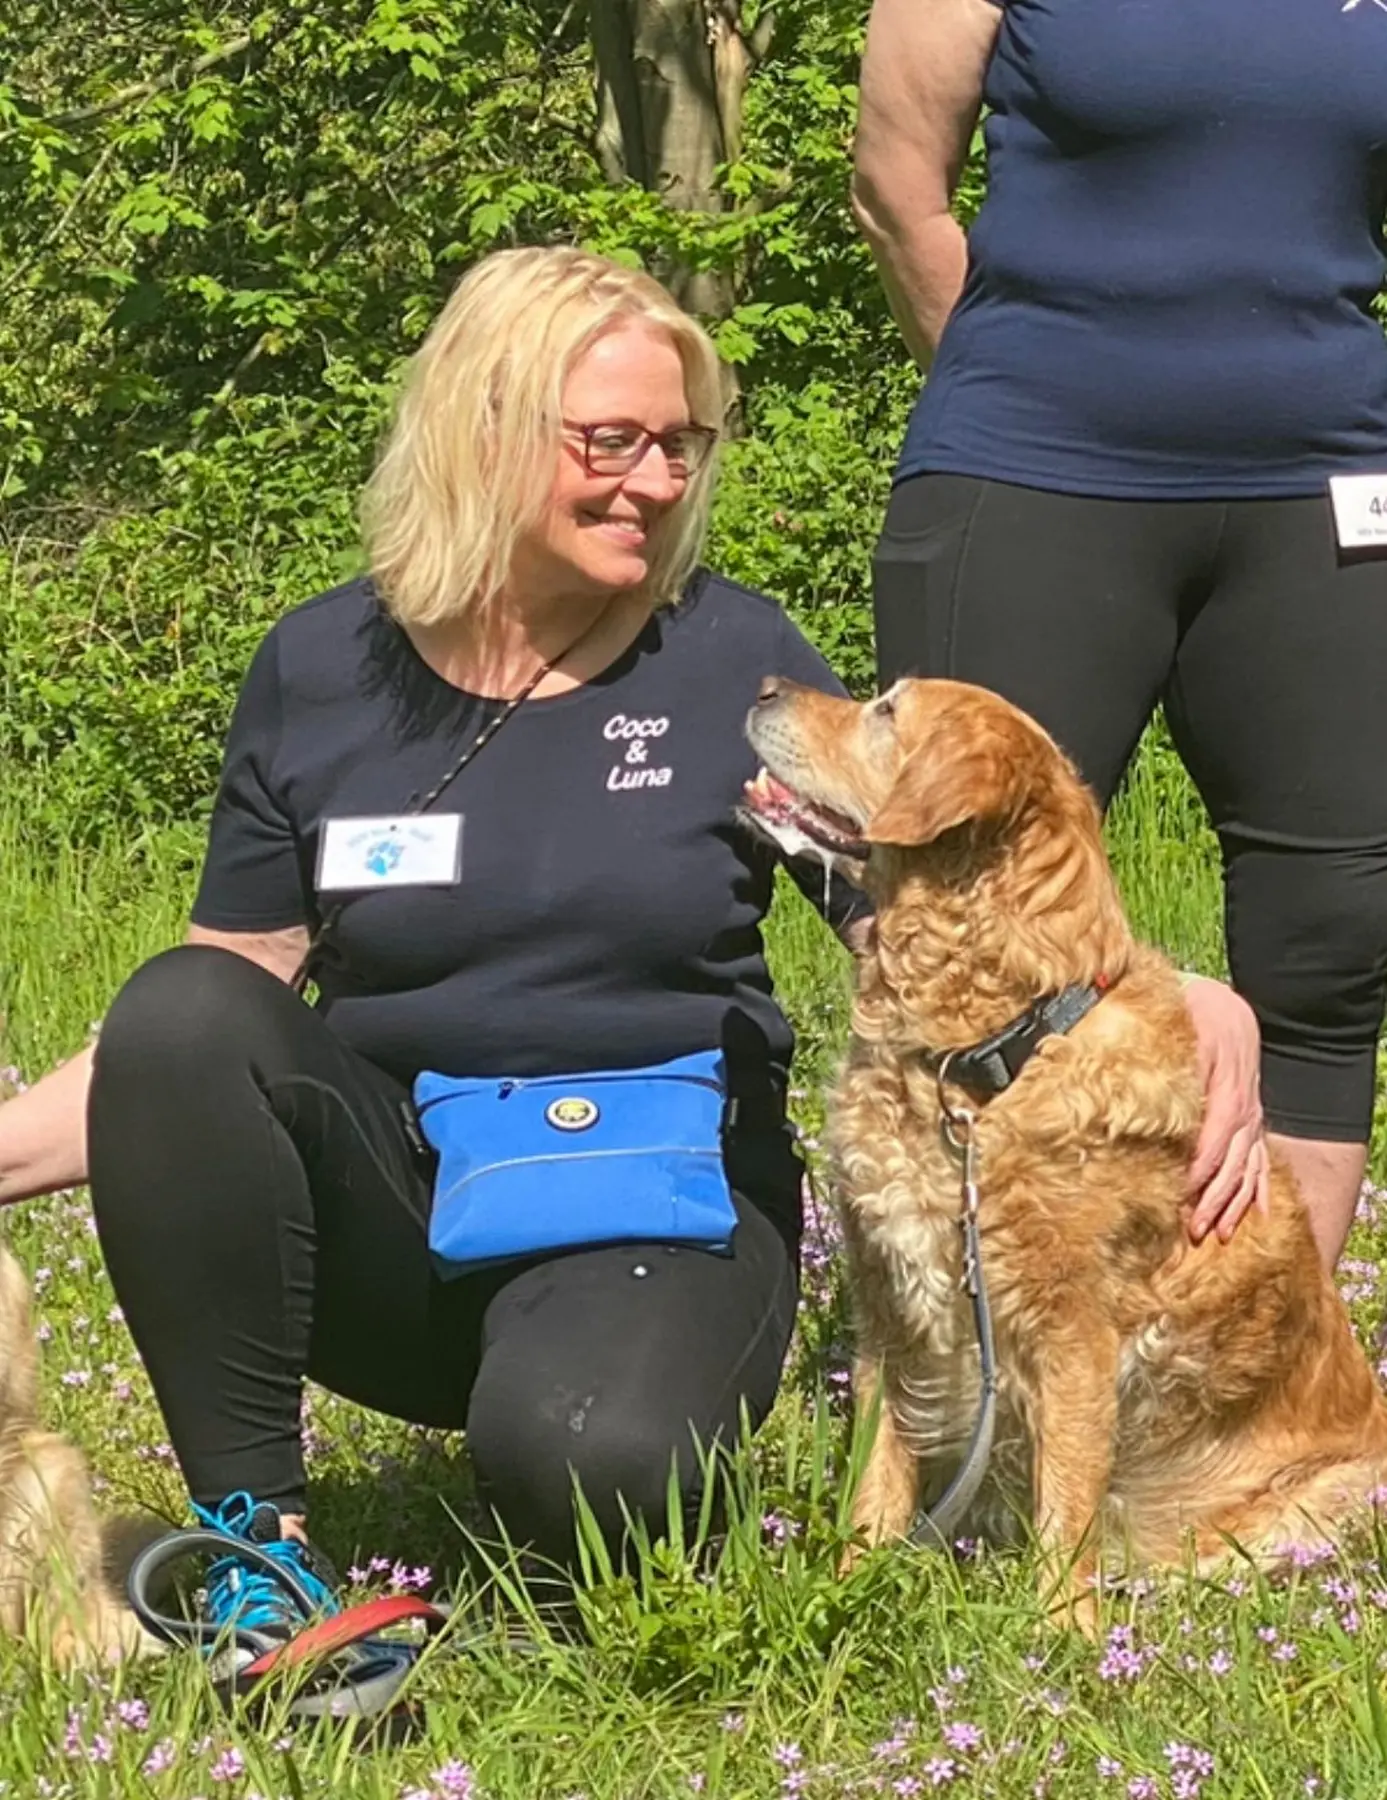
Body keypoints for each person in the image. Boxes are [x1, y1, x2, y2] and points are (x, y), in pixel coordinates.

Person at [0, 245, 1260, 1644]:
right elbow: (199, 1033)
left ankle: (587, 1447)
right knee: (180, 1009)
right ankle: (258, 1554)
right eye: (610, 440)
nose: (656, 480)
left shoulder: (728, 672)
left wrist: (1198, 1005)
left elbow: (935, 922)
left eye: (678, 442)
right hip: (397, 1200)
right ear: (482, 427)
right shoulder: (316, 672)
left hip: (652, 1203)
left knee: (591, 1464)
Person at [852, 0, 1387, 1270]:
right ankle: (959, 1388)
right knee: (959, 913)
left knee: (1333, 933)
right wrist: (1026, 393)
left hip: (1324, 488)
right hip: (1031, 470)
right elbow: (896, 186)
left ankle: (1268, 1386)